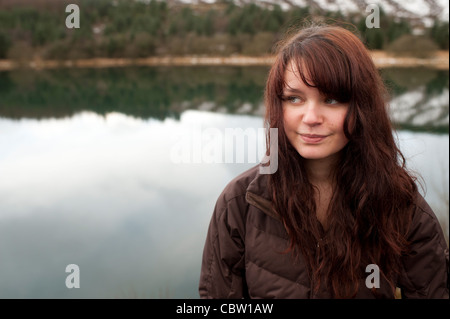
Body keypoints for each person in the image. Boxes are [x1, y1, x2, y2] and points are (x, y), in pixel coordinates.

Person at [198, 23, 449, 299]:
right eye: (294, 98)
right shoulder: (240, 204)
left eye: (330, 100)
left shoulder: (400, 204)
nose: (311, 117)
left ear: (361, 107)